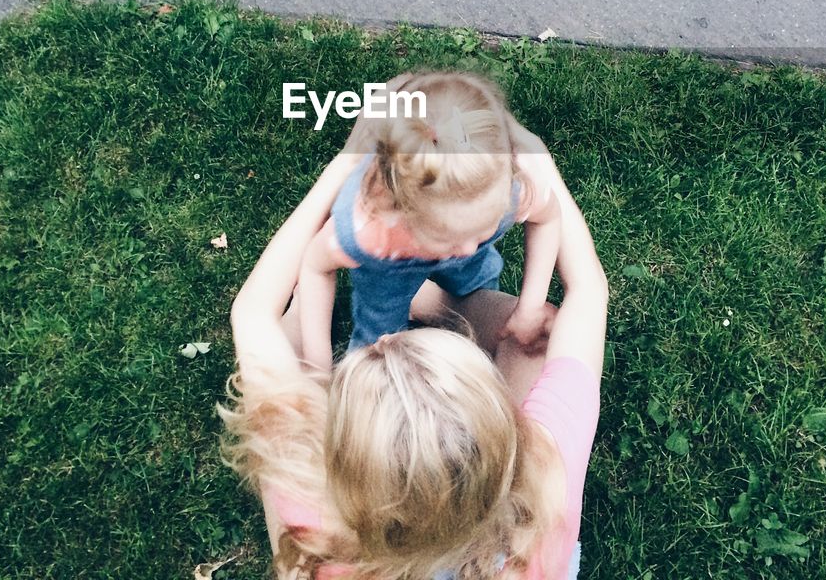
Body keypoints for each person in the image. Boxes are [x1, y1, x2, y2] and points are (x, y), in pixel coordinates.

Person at [221, 130, 608, 579]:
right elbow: (588, 291)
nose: (388, 340)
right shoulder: (547, 484)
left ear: (345, 468)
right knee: (535, 334)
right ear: (508, 441)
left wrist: (345, 165)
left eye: (377, 357)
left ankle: (371, 313)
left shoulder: (312, 523)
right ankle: (437, 302)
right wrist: (538, 156)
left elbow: (251, 312)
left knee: (288, 397)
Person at [296, 70, 563, 372]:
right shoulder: (367, 230)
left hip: (437, 246)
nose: (467, 247)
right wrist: (317, 368)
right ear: (400, 212)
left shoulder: (506, 190)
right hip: (389, 266)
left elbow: (548, 218)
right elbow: (315, 267)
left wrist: (529, 306)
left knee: (478, 292)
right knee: (378, 346)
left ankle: (464, 332)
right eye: (449, 237)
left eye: (481, 229)